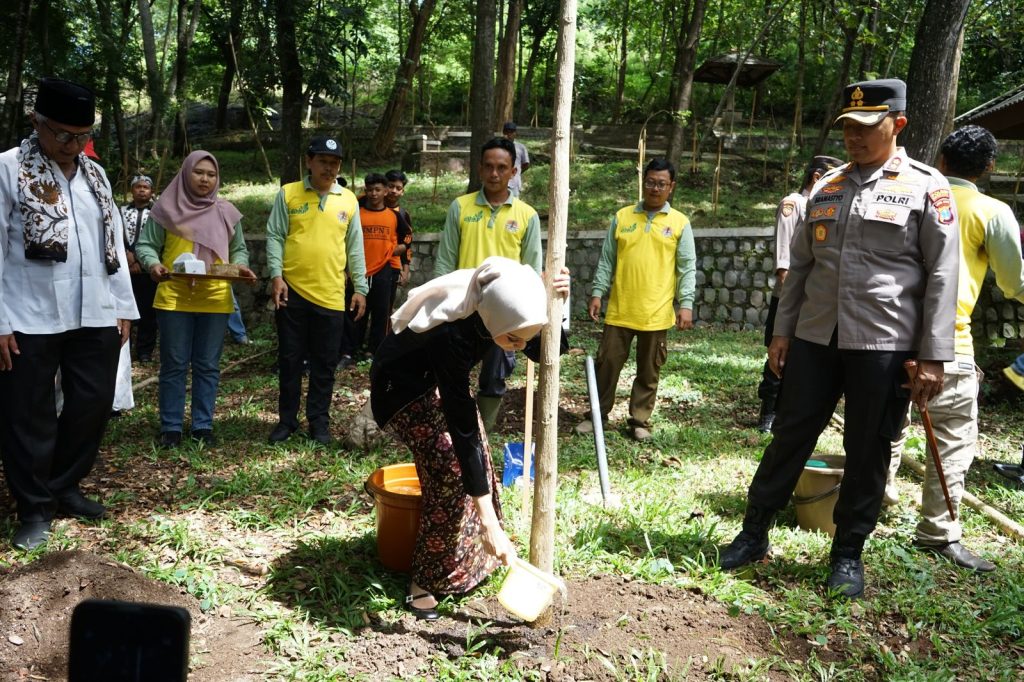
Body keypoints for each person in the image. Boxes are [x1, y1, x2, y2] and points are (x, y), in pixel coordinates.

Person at [717, 79, 960, 599]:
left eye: (866, 127)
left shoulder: (926, 187)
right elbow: (801, 267)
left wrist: (934, 355)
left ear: (897, 124)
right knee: (790, 435)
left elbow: (943, 273)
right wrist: (782, 332)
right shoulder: (827, 186)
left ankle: (848, 552)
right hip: (816, 337)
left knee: (868, 449)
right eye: (848, 127)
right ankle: (753, 533)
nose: (854, 137)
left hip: (885, 342)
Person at [370, 256, 569, 620]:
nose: (517, 346)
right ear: (493, 318)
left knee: (479, 464)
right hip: (401, 392)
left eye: (522, 337)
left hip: (439, 380)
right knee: (451, 473)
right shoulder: (451, 331)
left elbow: (545, 350)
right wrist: (488, 521)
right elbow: (461, 426)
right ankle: (423, 583)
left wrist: (557, 305)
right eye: (513, 338)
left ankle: (474, 559)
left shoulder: (498, 307)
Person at [0, 78, 137, 550]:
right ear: (36, 122)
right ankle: (34, 507)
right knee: (28, 414)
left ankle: (63, 486)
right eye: (62, 134)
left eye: (82, 136)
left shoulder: (95, 175)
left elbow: (112, 243)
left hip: (96, 310)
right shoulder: (8, 168)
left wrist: (123, 305)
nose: (72, 145)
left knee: (92, 403)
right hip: (27, 313)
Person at [885, 125, 1024, 572]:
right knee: (951, 438)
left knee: (886, 425)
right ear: (989, 168)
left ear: (941, 159)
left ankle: (877, 499)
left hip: (888, 335)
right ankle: (938, 532)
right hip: (950, 343)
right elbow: (1014, 282)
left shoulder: (910, 195)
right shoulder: (992, 211)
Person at [135, 151, 255, 448]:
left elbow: (239, 249)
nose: (205, 179)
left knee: (208, 365)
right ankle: (171, 427)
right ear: (186, 173)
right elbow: (146, 245)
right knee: (174, 364)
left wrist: (240, 266)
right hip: (174, 297)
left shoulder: (226, 211)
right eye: (198, 172)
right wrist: (153, 265)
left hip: (215, 298)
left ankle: (203, 425)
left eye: (211, 174)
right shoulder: (166, 208)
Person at [575, 158, 696, 442]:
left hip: (657, 313)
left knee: (649, 371)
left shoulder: (680, 223)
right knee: (606, 365)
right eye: (651, 182)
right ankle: (596, 416)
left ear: (671, 187)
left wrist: (686, 304)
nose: (655, 188)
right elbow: (607, 260)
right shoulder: (623, 217)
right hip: (620, 310)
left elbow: (687, 267)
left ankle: (640, 420)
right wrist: (597, 292)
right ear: (644, 182)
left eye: (662, 184)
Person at [434, 137, 543, 430]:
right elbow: (445, 261)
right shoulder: (460, 207)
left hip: (504, 314)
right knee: (452, 371)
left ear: (514, 172)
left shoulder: (527, 215)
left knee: (495, 376)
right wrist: (439, 308)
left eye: (502, 167)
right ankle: (455, 428)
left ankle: (485, 429)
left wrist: (527, 319)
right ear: (480, 169)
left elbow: (533, 271)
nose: (495, 174)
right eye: (489, 167)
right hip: (463, 307)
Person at [266, 135, 366, 445]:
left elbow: (355, 247)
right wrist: (276, 276)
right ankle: (287, 421)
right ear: (309, 161)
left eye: (334, 163)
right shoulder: (289, 194)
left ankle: (318, 422)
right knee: (290, 360)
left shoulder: (348, 200)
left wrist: (360, 288)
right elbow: (275, 236)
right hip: (292, 292)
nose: (329, 168)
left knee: (325, 364)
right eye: (323, 161)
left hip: (332, 295)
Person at [756, 156, 843, 433]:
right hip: (789, 298)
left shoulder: (829, 205)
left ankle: (789, 411)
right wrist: (794, 298)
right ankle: (768, 412)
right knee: (778, 356)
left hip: (815, 302)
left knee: (802, 359)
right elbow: (784, 263)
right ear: (817, 178)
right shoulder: (793, 204)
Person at [340, 173, 396, 365]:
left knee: (381, 313)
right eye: (370, 190)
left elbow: (403, 242)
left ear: (385, 191)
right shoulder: (356, 213)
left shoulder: (394, 216)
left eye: (378, 189)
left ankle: (374, 351)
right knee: (354, 311)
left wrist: (397, 264)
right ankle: (348, 351)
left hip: (382, 271)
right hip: (358, 270)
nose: (373, 194)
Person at [122, 174, 158, 362]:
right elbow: (117, 234)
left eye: (146, 187)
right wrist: (127, 257)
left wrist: (138, 259)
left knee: (148, 312)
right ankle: (124, 347)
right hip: (125, 268)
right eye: (138, 187)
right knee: (125, 308)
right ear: (132, 190)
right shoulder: (121, 211)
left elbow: (157, 239)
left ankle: (145, 350)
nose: (142, 190)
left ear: (151, 191)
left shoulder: (158, 213)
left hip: (147, 270)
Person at [384, 169, 413, 311]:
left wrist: (405, 270)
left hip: (391, 268)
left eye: (398, 188)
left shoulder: (403, 215)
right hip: (367, 266)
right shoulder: (367, 206)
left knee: (386, 309)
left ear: (403, 191)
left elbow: (407, 244)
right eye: (391, 186)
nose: (394, 191)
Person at [502, 122, 530, 197]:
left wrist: (517, 172)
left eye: (511, 132)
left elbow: (526, 164)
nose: (509, 134)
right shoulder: (498, 146)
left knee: (514, 203)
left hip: (514, 184)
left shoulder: (521, 147)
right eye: (507, 132)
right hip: (499, 182)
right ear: (503, 132)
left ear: (515, 133)